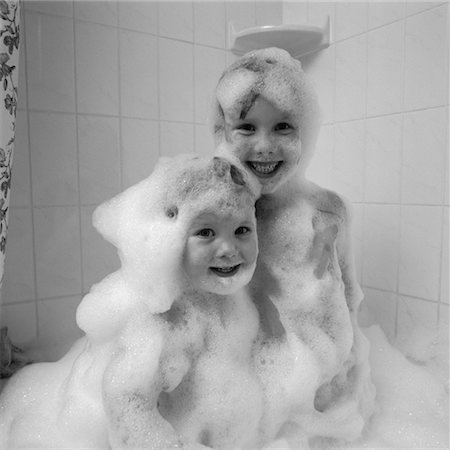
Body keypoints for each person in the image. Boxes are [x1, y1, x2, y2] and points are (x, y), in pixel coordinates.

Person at [0, 155, 264, 449]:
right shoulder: (160, 316)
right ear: (171, 240)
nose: (228, 249)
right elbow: (126, 401)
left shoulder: (231, 302)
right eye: (205, 233)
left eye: (242, 230)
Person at [212, 47, 375, 446]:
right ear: (222, 133)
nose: (265, 147)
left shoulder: (328, 210)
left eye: (283, 126)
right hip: (237, 404)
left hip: (320, 406)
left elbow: (348, 302)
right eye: (246, 127)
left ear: (306, 130)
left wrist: (346, 391)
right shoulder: (218, 210)